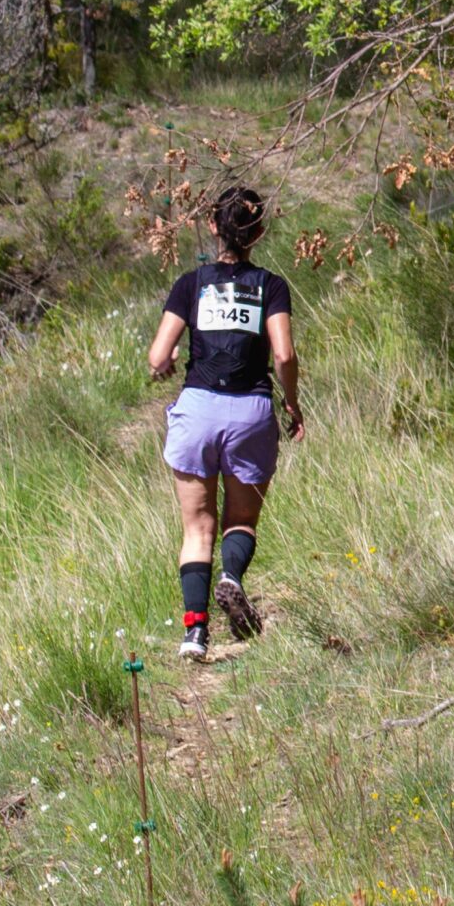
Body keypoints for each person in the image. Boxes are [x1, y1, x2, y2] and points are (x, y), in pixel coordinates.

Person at [146, 186, 304, 660]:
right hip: (251, 413)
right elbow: (284, 354)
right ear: (258, 232)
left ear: (213, 227)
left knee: (197, 528)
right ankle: (232, 577)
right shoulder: (271, 286)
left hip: (197, 410)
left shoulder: (190, 284)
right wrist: (291, 402)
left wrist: (168, 359)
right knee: (241, 521)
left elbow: (157, 356)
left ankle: (195, 633)